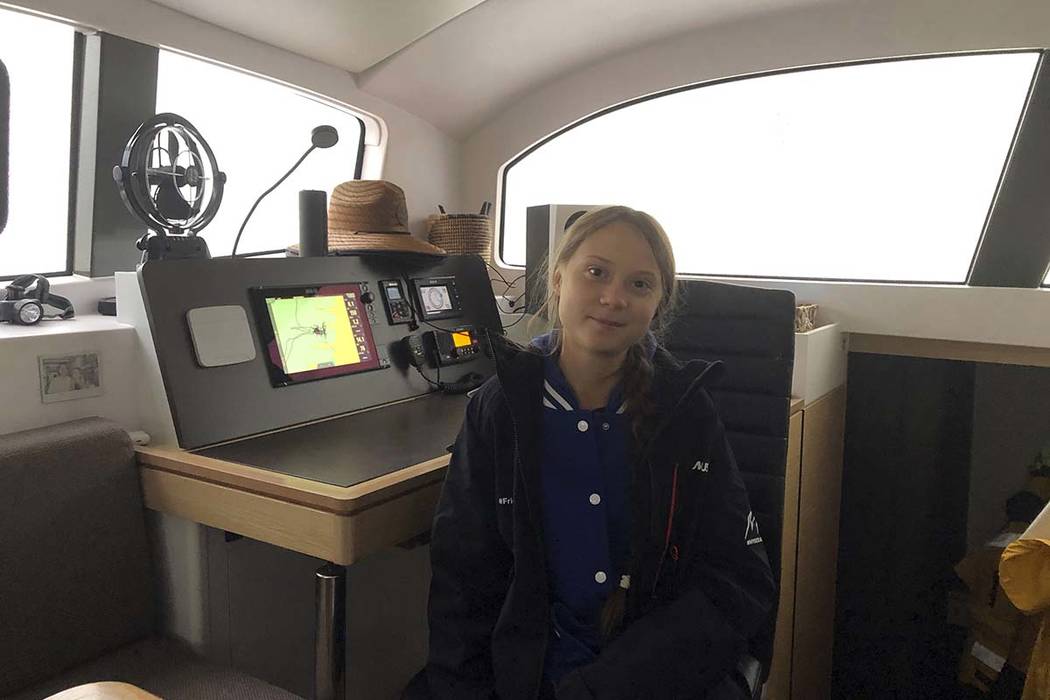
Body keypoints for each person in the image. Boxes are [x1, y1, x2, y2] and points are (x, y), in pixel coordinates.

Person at [424, 206, 776, 700]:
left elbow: (739, 582)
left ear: (659, 303)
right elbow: (463, 583)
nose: (613, 298)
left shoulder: (686, 411)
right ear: (558, 277)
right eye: (596, 272)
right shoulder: (499, 409)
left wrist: (608, 685)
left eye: (639, 284)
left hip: (655, 678)